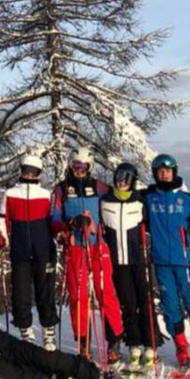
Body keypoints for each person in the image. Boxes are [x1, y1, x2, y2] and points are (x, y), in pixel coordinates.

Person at [49, 148, 123, 366]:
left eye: (83, 167)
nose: (79, 170)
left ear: (89, 168)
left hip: (98, 246)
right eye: (76, 166)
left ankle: (114, 340)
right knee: (78, 297)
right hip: (75, 248)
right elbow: (54, 220)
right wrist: (69, 225)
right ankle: (83, 343)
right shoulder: (61, 190)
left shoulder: (100, 187)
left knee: (105, 294)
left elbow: (118, 202)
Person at [143, 154, 190, 372]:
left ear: (175, 172)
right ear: (155, 173)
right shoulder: (149, 198)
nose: (165, 174)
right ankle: (181, 346)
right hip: (161, 262)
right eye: (161, 171)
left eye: (168, 170)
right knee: (170, 306)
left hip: (185, 262)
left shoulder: (186, 199)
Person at [0, 155, 59, 349]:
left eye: (34, 171)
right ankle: (27, 335)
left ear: (39, 173)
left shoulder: (46, 195)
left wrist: (61, 234)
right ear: (21, 170)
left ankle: (48, 335)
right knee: (21, 295)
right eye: (26, 170)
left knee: (45, 293)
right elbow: (2, 219)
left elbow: (54, 221)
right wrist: (1, 236)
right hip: (20, 252)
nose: (29, 174)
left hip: (44, 250)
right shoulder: (11, 194)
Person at [100, 162, 152, 371]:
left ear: (133, 181)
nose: (122, 182)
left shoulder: (139, 201)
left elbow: (148, 224)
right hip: (117, 261)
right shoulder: (105, 201)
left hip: (137, 259)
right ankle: (133, 342)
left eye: (127, 178)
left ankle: (149, 342)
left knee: (144, 301)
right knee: (128, 303)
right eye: (119, 177)